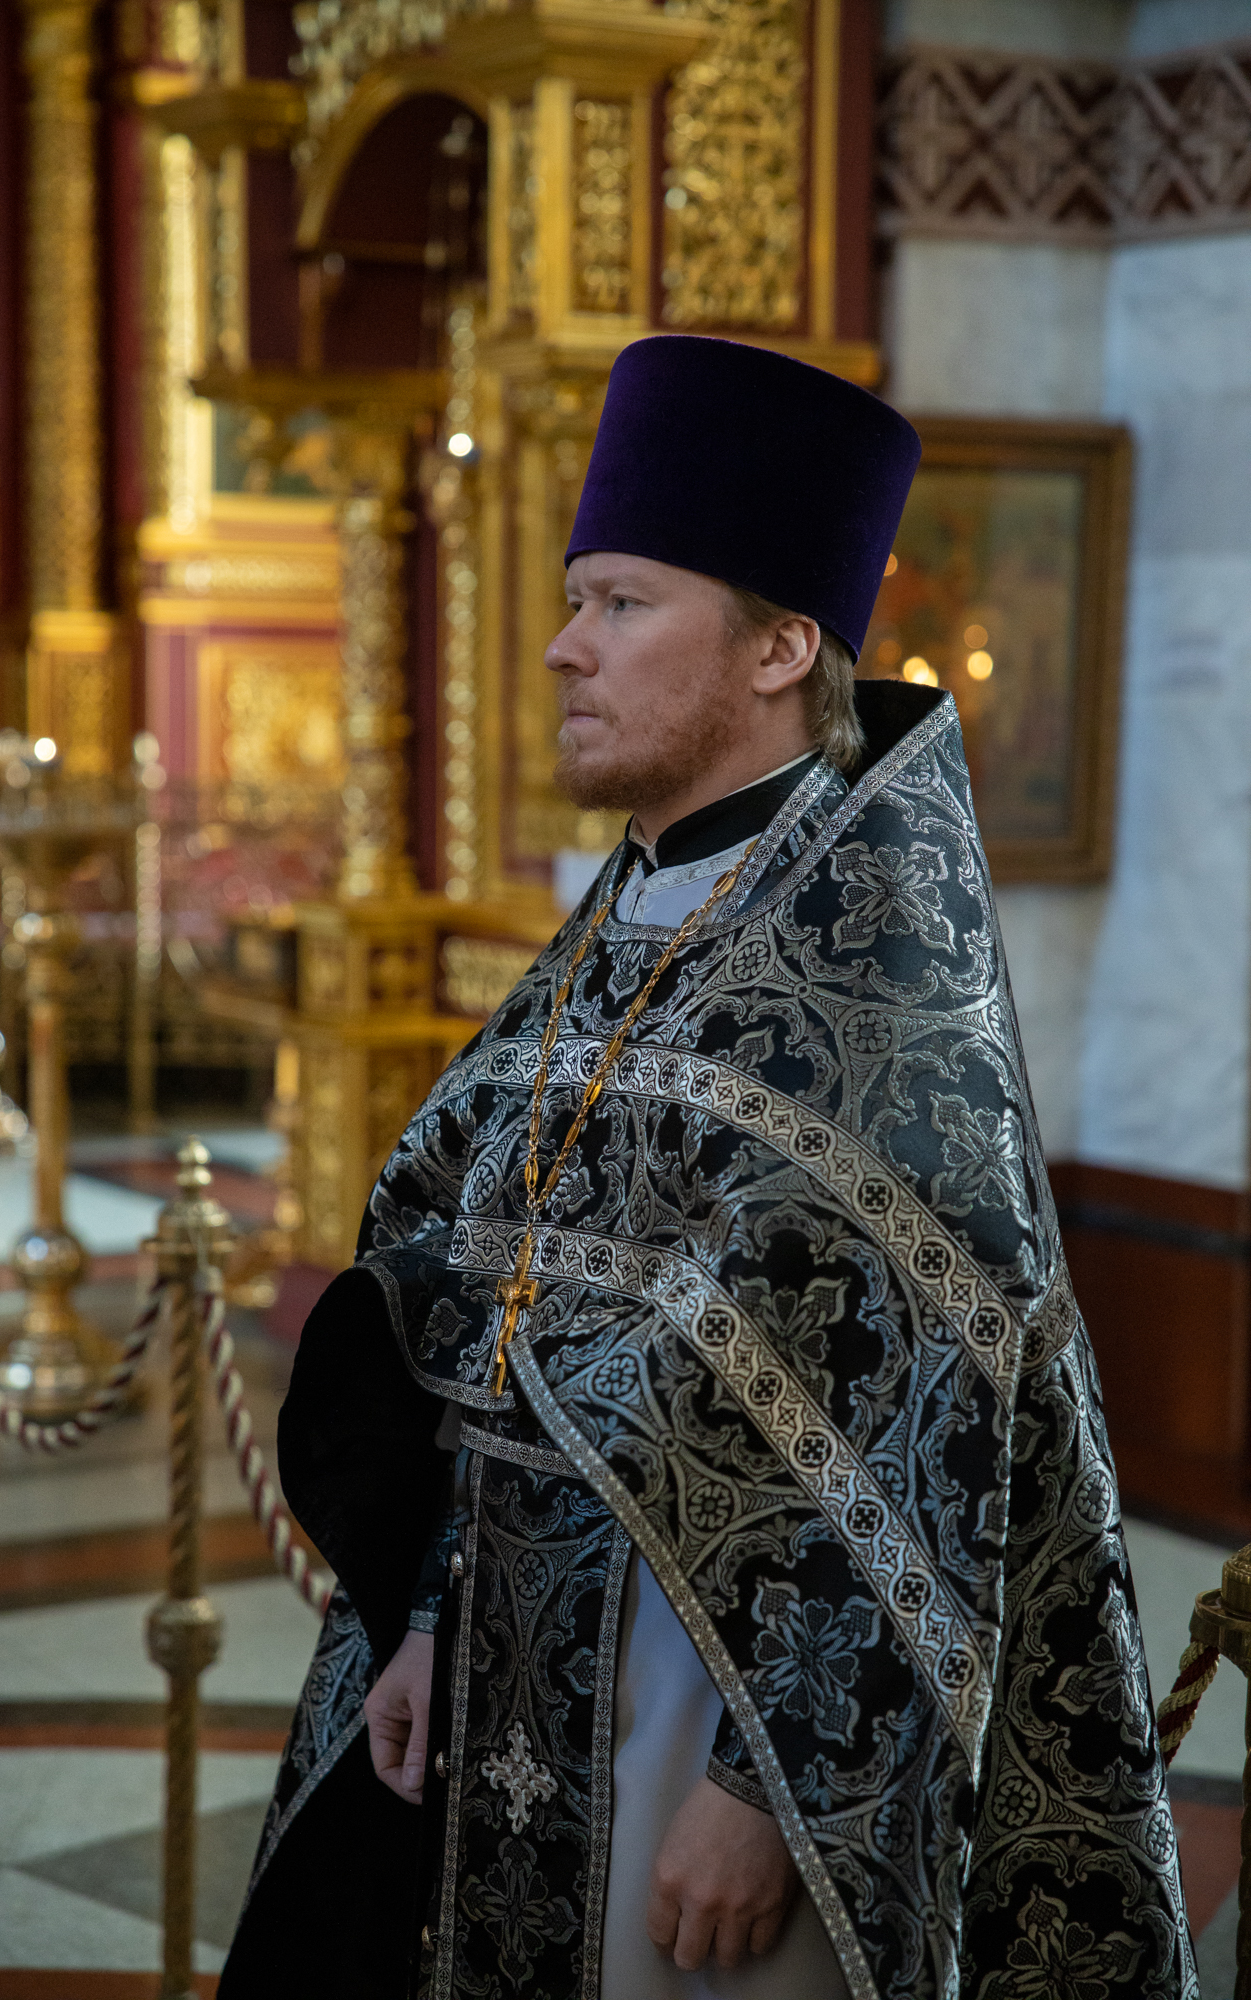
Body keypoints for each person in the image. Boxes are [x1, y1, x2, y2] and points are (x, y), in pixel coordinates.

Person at [219, 337, 1194, 2000]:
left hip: (710, 1730)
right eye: (572, 601)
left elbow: (930, 1430)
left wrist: (768, 1789)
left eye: (619, 604)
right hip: (505, 1668)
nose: (561, 645)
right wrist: (432, 1616)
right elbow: (490, 1315)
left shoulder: (881, 990)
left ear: (779, 646)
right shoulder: (620, 925)